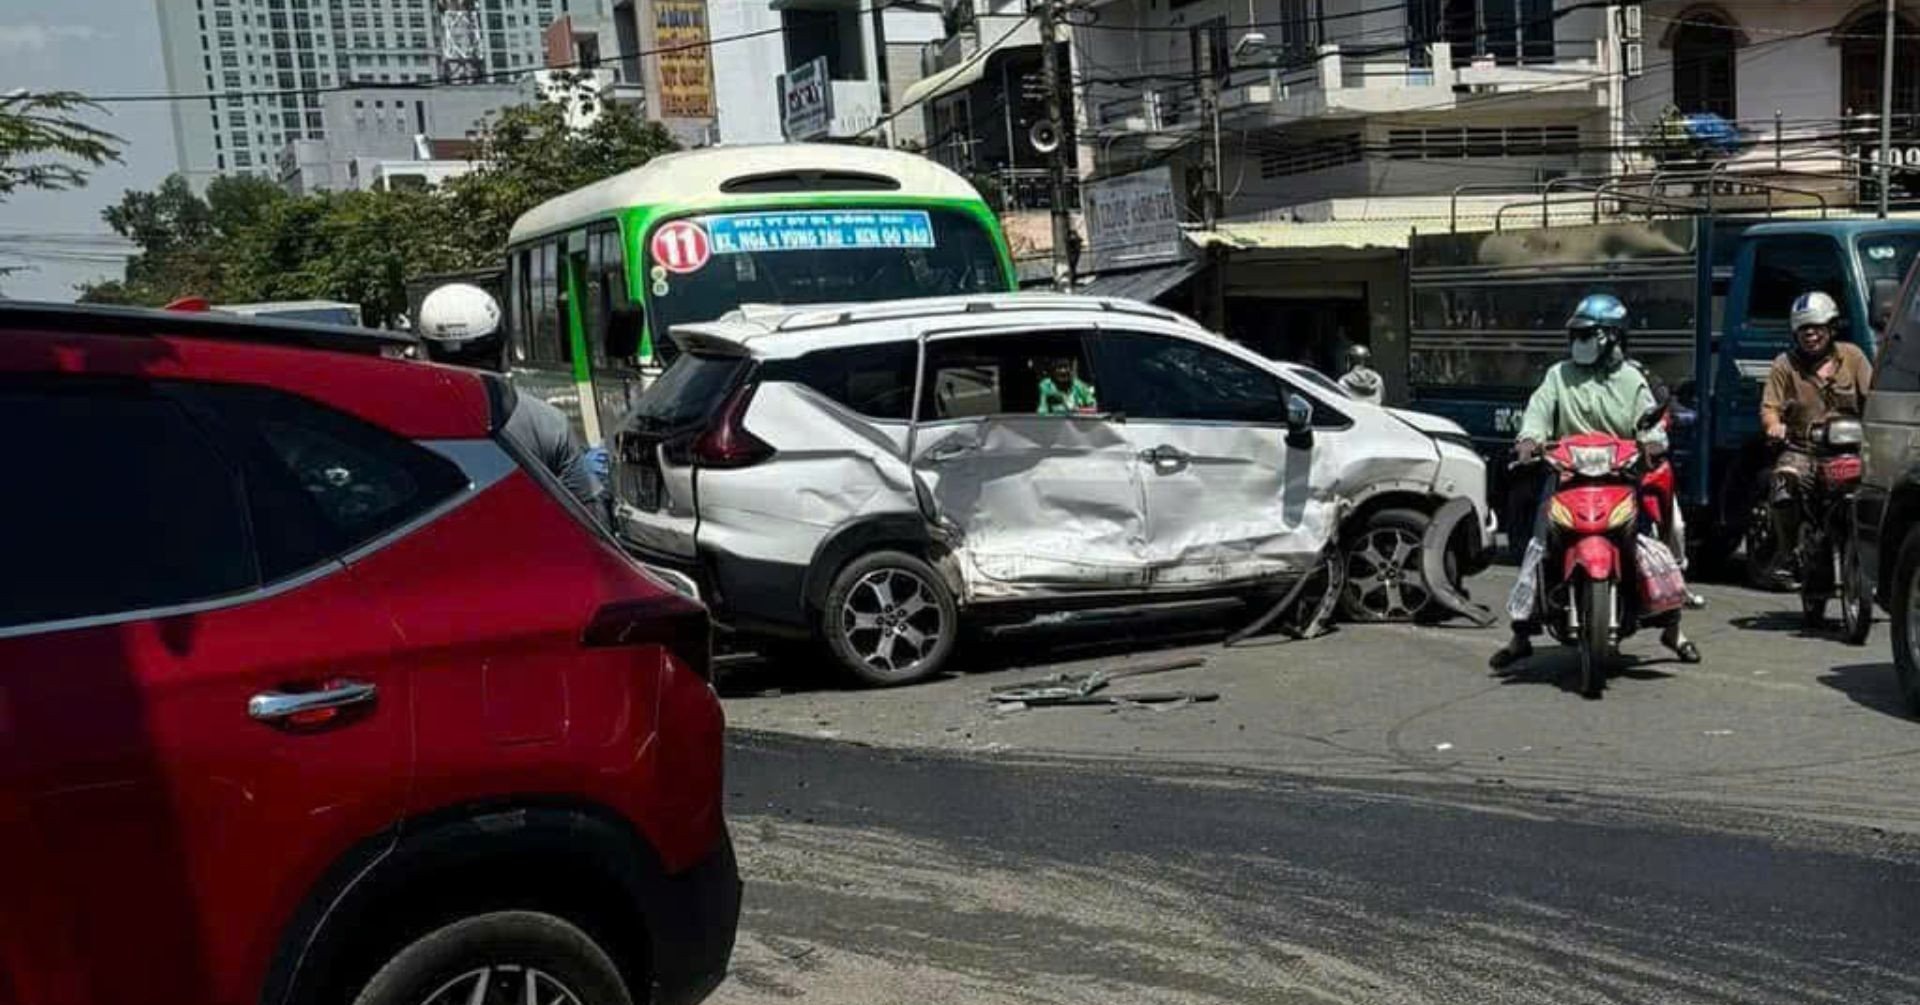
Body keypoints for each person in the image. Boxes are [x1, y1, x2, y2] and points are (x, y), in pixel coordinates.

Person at [1491, 293, 1701, 669]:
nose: (1579, 342)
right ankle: (1520, 633)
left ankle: (1673, 627)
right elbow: (1538, 412)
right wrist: (1529, 440)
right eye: (1576, 335)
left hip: (1621, 478)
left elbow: (1647, 421)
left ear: (1612, 337)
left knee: (1666, 535)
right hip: (1567, 478)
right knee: (1539, 543)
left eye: (1587, 335)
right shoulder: (1559, 376)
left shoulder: (1632, 379)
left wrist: (1653, 443)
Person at [416, 283, 610, 523]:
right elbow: (590, 521)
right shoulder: (545, 424)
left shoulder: (397, 428)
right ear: (502, 348)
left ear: (423, 352)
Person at [1761, 290, 1872, 563]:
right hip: (1804, 450)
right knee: (1784, 484)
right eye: (1803, 329)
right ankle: (1789, 553)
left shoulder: (1853, 357)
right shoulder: (1784, 365)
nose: (1810, 335)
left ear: (1831, 328)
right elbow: (1769, 407)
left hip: (1851, 450)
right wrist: (1774, 426)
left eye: (1817, 328)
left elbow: (1872, 397)